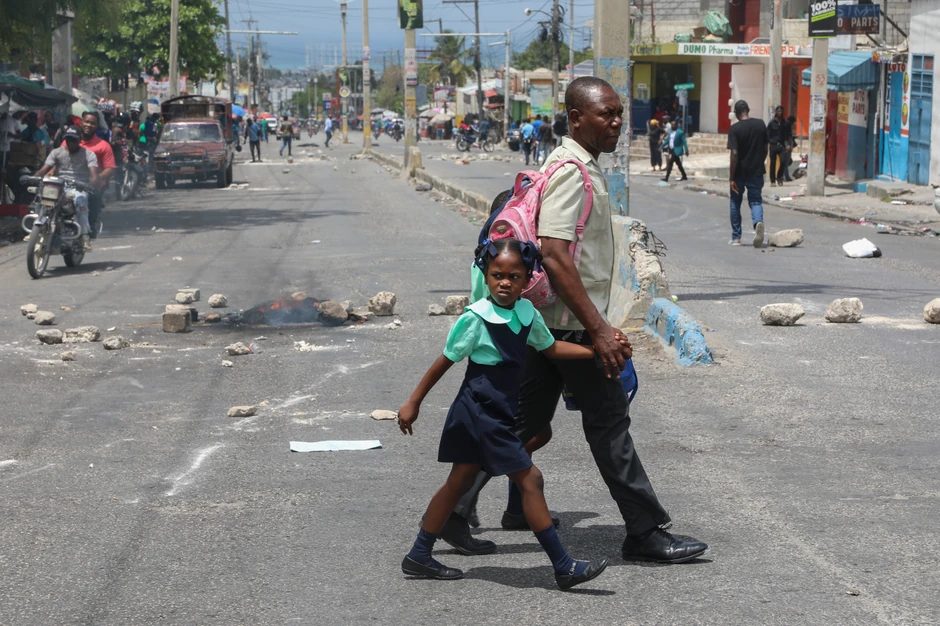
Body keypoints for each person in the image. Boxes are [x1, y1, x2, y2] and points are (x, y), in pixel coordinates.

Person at [443, 76, 708, 565]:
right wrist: (601, 329)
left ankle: (454, 512)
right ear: (576, 118)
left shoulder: (576, 166)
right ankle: (645, 531)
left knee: (518, 423)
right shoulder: (572, 171)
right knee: (609, 425)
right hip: (569, 324)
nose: (615, 123)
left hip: (546, 321)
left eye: (617, 114)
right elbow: (555, 254)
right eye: (605, 114)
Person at [398, 238, 610, 589]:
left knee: (458, 483)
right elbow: (445, 360)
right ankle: (563, 566)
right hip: (479, 413)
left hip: (496, 412)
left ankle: (418, 555)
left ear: (528, 279)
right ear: (485, 274)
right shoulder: (476, 319)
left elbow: (551, 347)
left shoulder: (527, 314)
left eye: (514, 276)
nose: (505, 283)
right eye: (497, 275)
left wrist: (595, 351)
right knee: (530, 480)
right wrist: (414, 402)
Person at [35, 127, 98, 251]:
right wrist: (34, 177)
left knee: (80, 200)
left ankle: (85, 235)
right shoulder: (56, 152)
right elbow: (44, 169)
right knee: (39, 198)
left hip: (79, 187)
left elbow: (93, 174)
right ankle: (37, 228)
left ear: (79, 140)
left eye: (73, 140)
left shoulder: (89, 154)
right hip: (59, 186)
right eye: (68, 139)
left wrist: (92, 183)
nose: (70, 143)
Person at [727, 99, 768, 247]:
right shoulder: (761, 124)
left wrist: (731, 177)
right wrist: (759, 162)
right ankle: (758, 223)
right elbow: (765, 149)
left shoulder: (735, 129)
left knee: (735, 203)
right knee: (756, 201)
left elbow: (735, 154)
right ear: (748, 109)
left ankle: (736, 237)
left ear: (737, 113)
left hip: (739, 173)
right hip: (756, 171)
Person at [79, 111, 116, 239]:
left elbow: (110, 168)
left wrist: (97, 178)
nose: (88, 125)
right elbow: (57, 159)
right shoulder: (70, 142)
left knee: (93, 199)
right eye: (86, 122)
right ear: (81, 123)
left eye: (92, 123)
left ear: (97, 126)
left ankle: (90, 226)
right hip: (70, 183)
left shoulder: (103, 146)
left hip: (91, 186)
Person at [766, 105, 791, 187]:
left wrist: (788, 145)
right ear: (776, 112)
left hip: (782, 146)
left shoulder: (786, 123)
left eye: (781, 111)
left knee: (783, 161)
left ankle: (779, 177)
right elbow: (767, 134)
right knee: (772, 164)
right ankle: (772, 181)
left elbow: (788, 135)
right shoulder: (771, 123)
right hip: (773, 146)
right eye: (778, 111)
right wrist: (769, 143)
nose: (780, 112)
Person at [783, 115, 797, 182]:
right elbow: (785, 138)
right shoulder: (786, 127)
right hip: (786, 148)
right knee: (786, 163)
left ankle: (783, 176)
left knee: (786, 162)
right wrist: (787, 146)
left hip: (788, 147)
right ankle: (786, 177)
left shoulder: (787, 127)